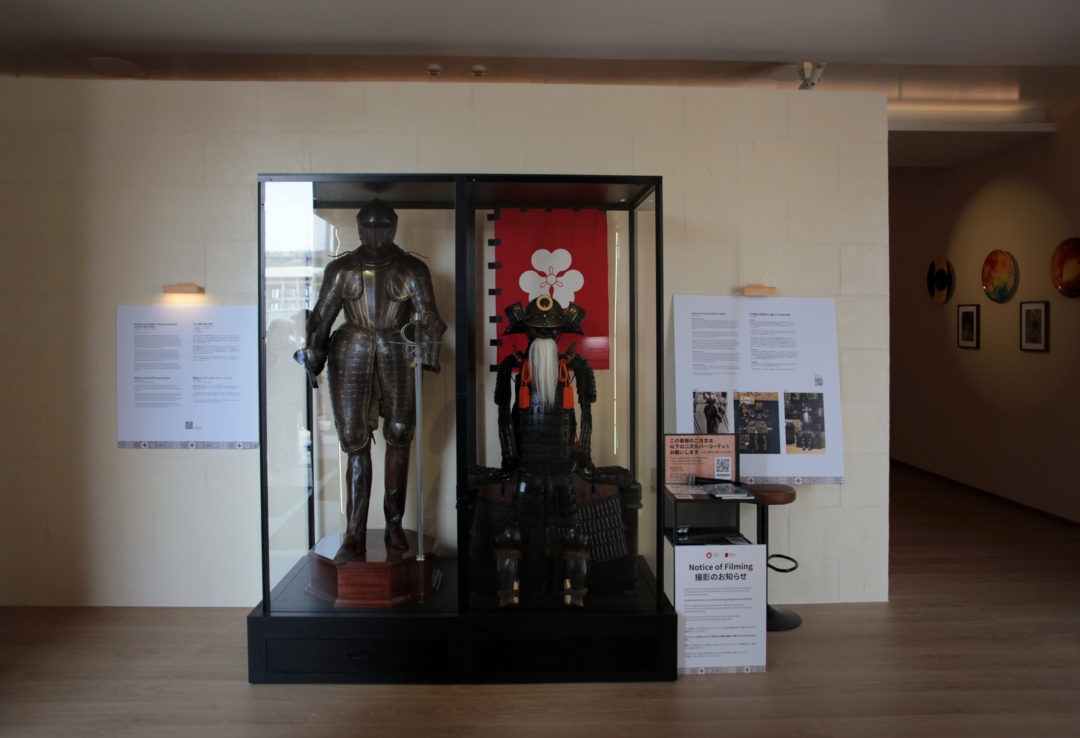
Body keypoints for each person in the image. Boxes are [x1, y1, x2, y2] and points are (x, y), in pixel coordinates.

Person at [294, 199, 446, 564]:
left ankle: (394, 524)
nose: (376, 235)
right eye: (370, 227)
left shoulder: (412, 268)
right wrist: (314, 352)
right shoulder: (341, 268)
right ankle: (354, 533)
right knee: (354, 440)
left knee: (400, 433)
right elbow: (322, 317)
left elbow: (429, 316)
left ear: (393, 227)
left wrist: (427, 353)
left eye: (382, 227)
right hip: (352, 350)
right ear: (360, 228)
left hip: (398, 348)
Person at [492, 295, 594, 606]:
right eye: (539, 330)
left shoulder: (575, 365)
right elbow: (504, 417)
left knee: (572, 536)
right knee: (515, 535)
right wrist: (508, 456)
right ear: (526, 331)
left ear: (560, 331)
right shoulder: (512, 366)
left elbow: (587, 415)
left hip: (559, 468)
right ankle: (509, 597)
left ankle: (574, 597)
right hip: (529, 467)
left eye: (549, 331)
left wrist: (584, 454)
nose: (545, 335)